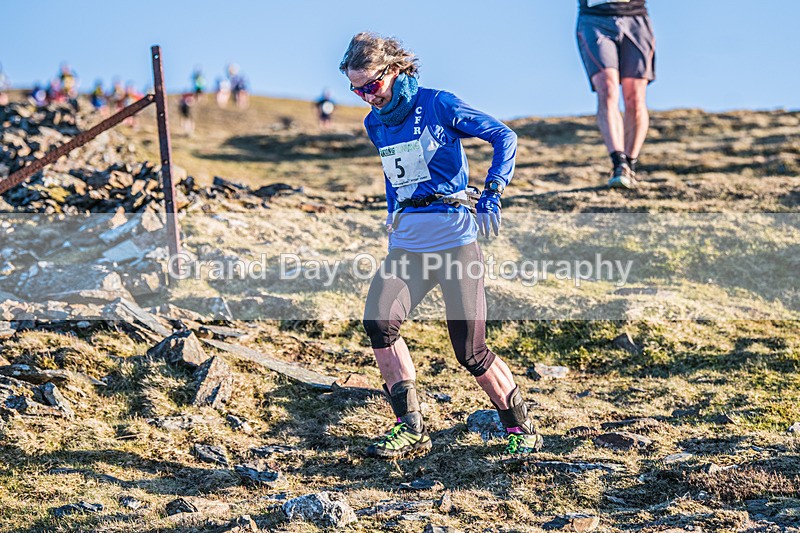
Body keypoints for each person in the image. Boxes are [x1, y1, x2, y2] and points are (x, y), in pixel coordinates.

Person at [340, 32, 543, 459]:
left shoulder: (438, 104)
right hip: (409, 244)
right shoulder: (374, 123)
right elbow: (396, 176)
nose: (364, 97)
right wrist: (393, 214)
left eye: (370, 85)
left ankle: (520, 427)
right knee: (379, 322)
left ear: (393, 70)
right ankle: (409, 426)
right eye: (355, 89)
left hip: (455, 240)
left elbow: (504, 136)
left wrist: (492, 193)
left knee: (470, 351)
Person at [576, 0, 656, 189]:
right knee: (607, 88)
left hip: (636, 18)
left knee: (635, 96)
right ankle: (618, 162)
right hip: (594, 18)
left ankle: (630, 163)